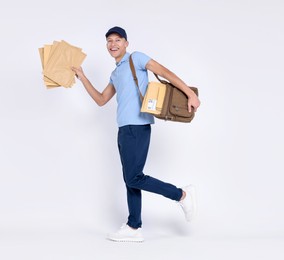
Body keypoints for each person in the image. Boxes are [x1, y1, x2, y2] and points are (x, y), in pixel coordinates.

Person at [72, 26, 201, 242]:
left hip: (137, 127)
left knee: (134, 177)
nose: (113, 44)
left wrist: (189, 93)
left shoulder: (137, 58)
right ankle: (134, 227)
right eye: (109, 41)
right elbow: (102, 100)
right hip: (123, 130)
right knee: (130, 179)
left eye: (117, 40)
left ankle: (181, 195)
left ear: (126, 43)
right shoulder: (115, 73)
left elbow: (164, 72)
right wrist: (83, 77)